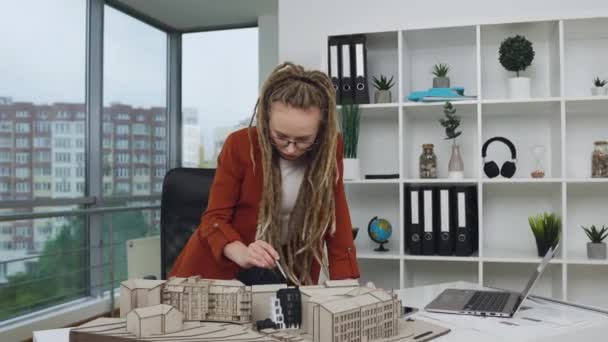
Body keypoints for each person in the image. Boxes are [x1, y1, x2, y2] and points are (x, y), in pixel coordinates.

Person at [169, 62, 360, 286]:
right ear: (265, 120)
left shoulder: (330, 147)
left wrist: (346, 288)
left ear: (322, 129)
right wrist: (243, 253)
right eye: (280, 136)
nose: (290, 148)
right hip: (217, 272)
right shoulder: (240, 145)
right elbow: (214, 219)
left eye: (303, 140)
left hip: (286, 269)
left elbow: (335, 218)